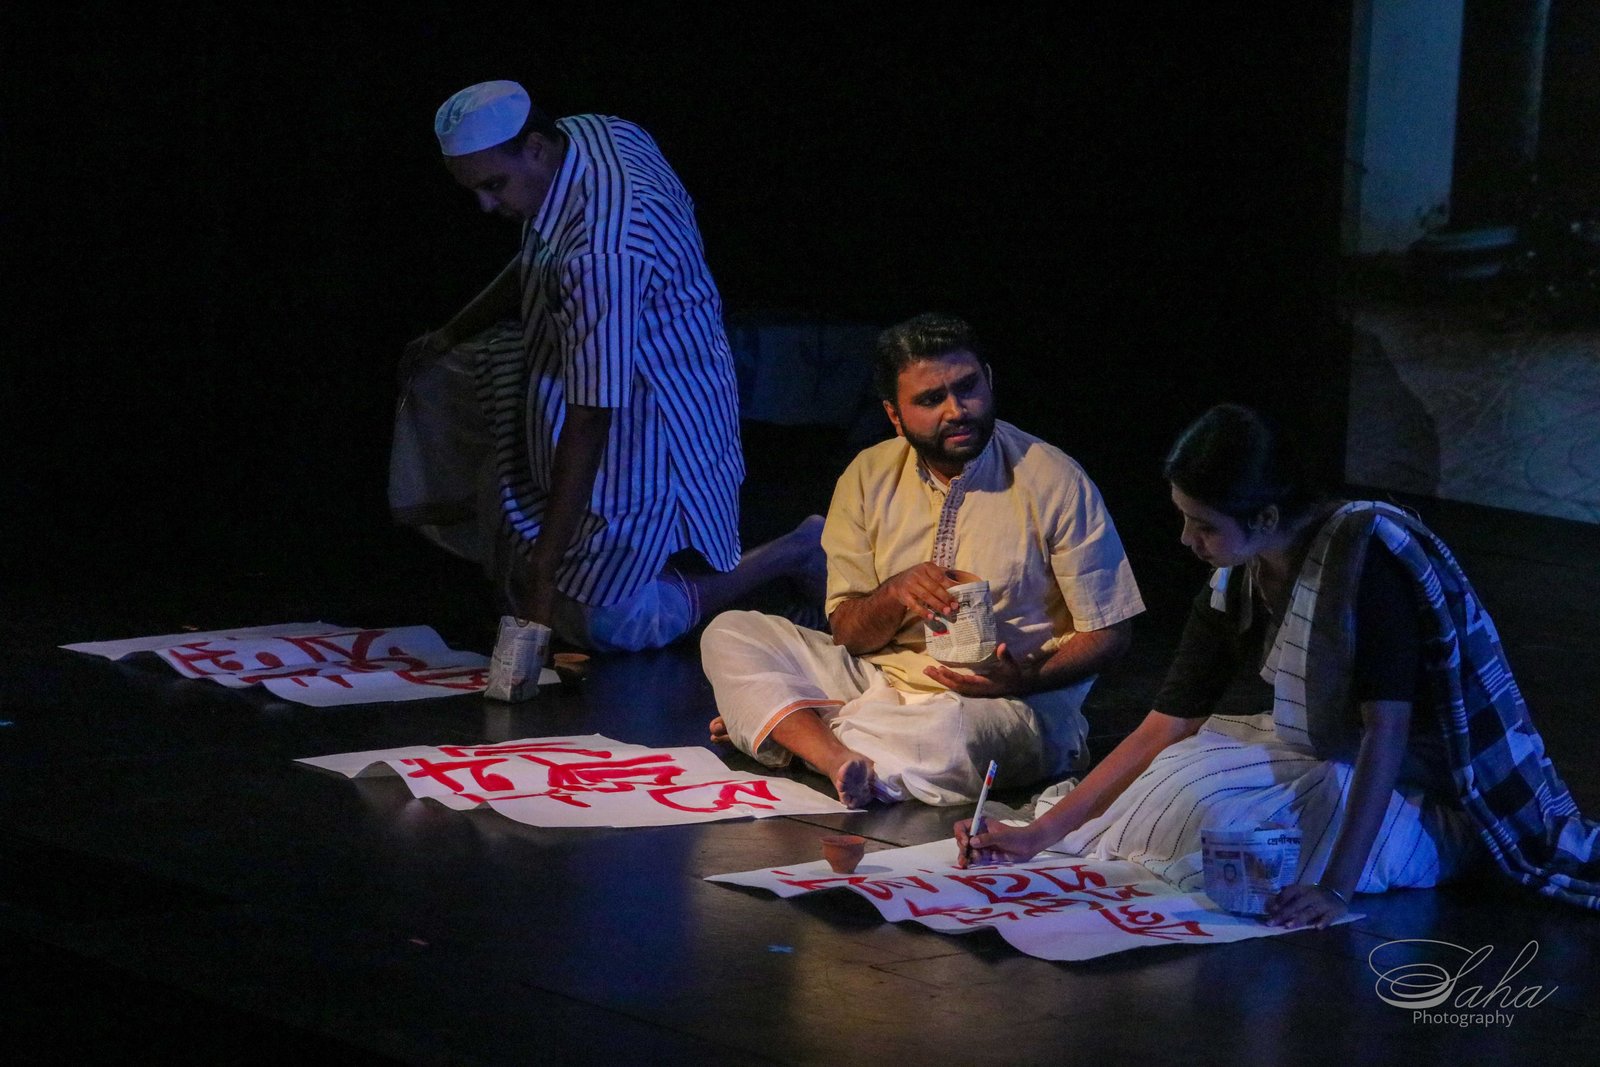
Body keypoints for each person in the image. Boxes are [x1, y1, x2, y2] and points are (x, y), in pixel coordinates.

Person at [957, 404, 1600, 923]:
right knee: (1171, 784)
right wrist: (1038, 836)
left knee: (1236, 835)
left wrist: (1335, 889)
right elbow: (1167, 723)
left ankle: (1406, 851)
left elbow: (1387, 731)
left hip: (1419, 781)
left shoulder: (1365, 560)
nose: (1187, 541)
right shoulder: (1240, 572)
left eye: (1203, 526)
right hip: (1321, 750)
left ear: (1266, 516)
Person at [391, 80, 822, 653]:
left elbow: (593, 413)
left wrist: (545, 575)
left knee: (609, 625)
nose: (486, 207)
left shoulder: (603, 251)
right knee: (444, 372)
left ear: (535, 148)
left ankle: (795, 549)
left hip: (652, 411)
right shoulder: (593, 132)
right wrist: (449, 334)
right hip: (584, 366)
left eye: (494, 185)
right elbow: (539, 253)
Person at [701, 313, 1145, 807]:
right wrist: (894, 594)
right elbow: (848, 634)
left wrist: (1024, 677)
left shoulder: (1053, 478)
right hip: (878, 680)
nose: (957, 410)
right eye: (931, 400)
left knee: (946, 737)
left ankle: (794, 730)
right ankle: (828, 748)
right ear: (894, 415)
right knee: (731, 632)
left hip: (1004, 704)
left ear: (989, 380)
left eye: (968, 387)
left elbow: (1111, 632)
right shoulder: (867, 475)